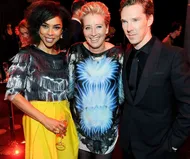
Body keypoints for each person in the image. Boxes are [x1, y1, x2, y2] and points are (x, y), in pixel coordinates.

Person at [4, 1, 78, 159]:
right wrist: (46, 121)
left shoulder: (65, 57)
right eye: (45, 26)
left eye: (56, 27)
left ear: (62, 32)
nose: (50, 33)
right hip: (38, 121)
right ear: (37, 28)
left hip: (64, 122)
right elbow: (13, 94)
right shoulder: (26, 55)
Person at [119, 0, 190, 159]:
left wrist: (172, 144)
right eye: (125, 21)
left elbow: (187, 106)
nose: (129, 28)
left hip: (158, 150)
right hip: (127, 146)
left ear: (150, 19)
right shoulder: (127, 53)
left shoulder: (173, 56)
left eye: (135, 20)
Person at [68, 2, 124, 159]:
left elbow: (121, 96)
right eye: (87, 27)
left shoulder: (118, 55)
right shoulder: (74, 51)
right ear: (83, 29)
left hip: (107, 135)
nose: (93, 33)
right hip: (79, 132)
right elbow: (69, 91)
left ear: (107, 28)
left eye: (98, 27)